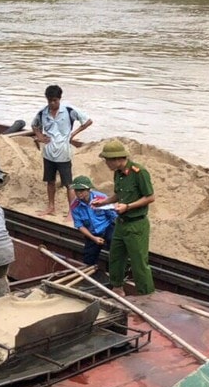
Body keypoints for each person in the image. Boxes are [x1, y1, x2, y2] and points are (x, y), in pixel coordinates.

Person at [91, 140, 155, 295]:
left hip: (136, 224)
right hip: (120, 222)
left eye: (107, 160)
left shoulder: (139, 172)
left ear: (117, 159)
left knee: (139, 263)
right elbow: (119, 194)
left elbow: (150, 197)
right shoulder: (118, 174)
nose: (106, 163)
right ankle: (117, 288)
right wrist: (104, 202)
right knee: (116, 257)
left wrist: (128, 207)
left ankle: (146, 296)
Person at [31, 84, 92, 216]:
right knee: (50, 181)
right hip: (48, 154)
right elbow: (34, 125)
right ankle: (51, 207)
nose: (53, 103)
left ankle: (71, 211)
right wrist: (40, 137)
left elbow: (87, 121)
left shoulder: (69, 110)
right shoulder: (43, 113)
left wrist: (73, 134)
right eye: (50, 100)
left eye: (55, 100)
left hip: (64, 154)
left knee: (69, 184)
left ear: (60, 99)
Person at [69, 175, 117, 268]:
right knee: (88, 259)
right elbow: (79, 226)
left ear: (88, 189)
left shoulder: (101, 198)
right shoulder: (75, 206)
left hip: (107, 227)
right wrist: (93, 238)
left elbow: (112, 215)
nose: (79, 194)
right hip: (92, 233)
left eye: (81, 190)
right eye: (76, 191)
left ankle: (115, 271)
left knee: (115, 245)